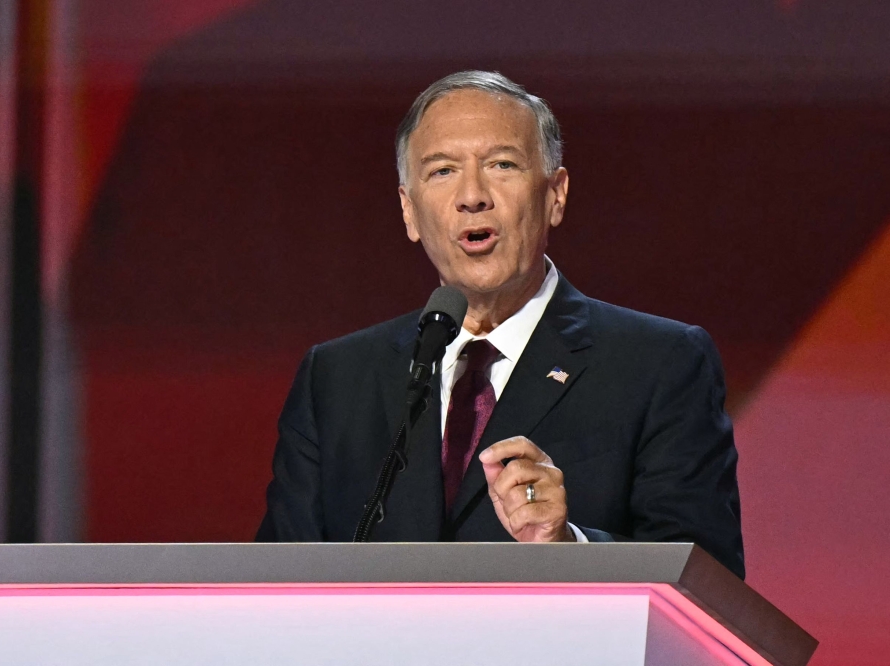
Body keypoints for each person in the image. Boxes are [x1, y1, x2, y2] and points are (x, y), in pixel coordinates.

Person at [256, 71, 744, 579]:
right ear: (409, 211)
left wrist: (569, 548)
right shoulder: (336, 378)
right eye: (442, 171)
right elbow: (274, 589)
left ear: (555, 195)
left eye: (502, 164)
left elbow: (712, 586)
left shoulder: (659, 364)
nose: (472, 195)